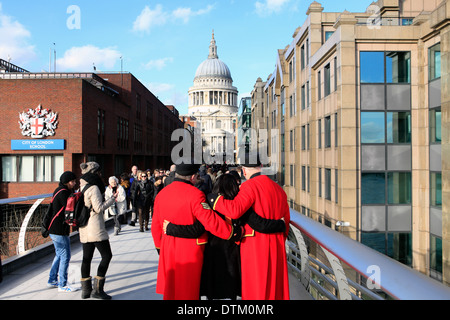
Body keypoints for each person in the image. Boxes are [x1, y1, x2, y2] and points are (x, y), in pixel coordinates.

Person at [165, 173, 286, 300]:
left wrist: (170, 228)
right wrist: (280, 224)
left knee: (212, 289)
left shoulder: (209, 203)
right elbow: (259, 223)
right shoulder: (240, 207)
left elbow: (197, 229)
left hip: (213, 252)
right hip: (233, 255)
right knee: (233, 290)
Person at [209, 154, 291, 300]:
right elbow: (286, 222)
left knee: (256, 288)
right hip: (276, 244)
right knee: (274, 287)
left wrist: (215, 200)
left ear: (244, 171)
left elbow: (235, 210)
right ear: (261, 167)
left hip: (255, 245)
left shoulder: (248, 186)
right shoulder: (279, 189)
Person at [151, 163, 237, 300]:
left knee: (171, 291)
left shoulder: (162, 194)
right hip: (190, 250)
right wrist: (231, 232)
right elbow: (210, 221)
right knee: (188, 291)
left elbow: (155, 226)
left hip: (168, 249)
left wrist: (160, 248)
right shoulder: (196, 195)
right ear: (192, 177)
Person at [78, 162, 117, 300]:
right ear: (95, 172)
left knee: (86, 258)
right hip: (95, 227)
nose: (101, 174)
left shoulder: (82, 186)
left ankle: (85, 291)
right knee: (107, 255)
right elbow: (99, 208)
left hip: (83, 228)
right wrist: (112, 199)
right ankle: (98, 290)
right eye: (99, 172)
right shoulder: (94, 188)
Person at [41, 171, 79, 292]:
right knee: (65, 256)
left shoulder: (58, 190)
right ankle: (63, 285)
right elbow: (70, 208)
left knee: (59, 255)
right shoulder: (64, 193)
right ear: (67, 182)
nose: (74, 183)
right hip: (59, 230)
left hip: (55, 229)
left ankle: (52, 280)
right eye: (72, 181)